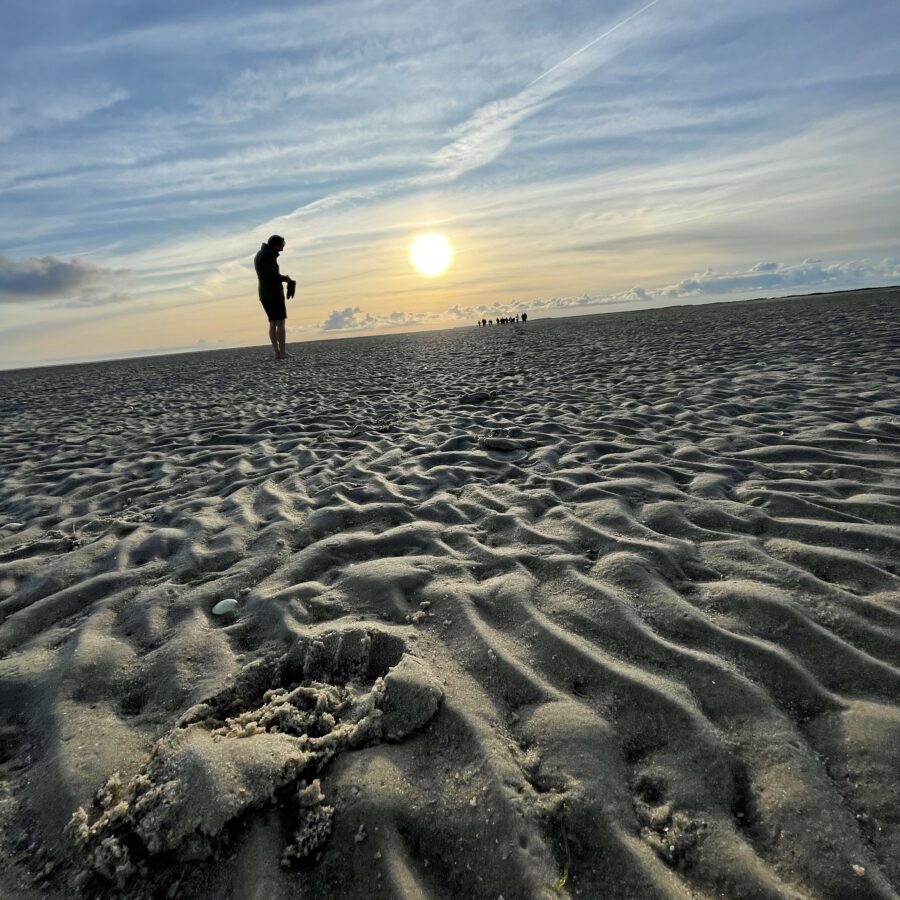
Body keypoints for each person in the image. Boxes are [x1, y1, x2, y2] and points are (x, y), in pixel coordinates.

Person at [254, 235, 295, 360]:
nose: (284, 245)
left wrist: (282, 277)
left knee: (273, 322)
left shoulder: (263, 253)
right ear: (276, 245)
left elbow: (268, 274)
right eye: (283, 243)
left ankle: (277, 352)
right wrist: (285, 278)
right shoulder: (268, 255)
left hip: (264, 294)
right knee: (280, 322)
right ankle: (282, 352)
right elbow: (270, 275)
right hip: (273, 293)